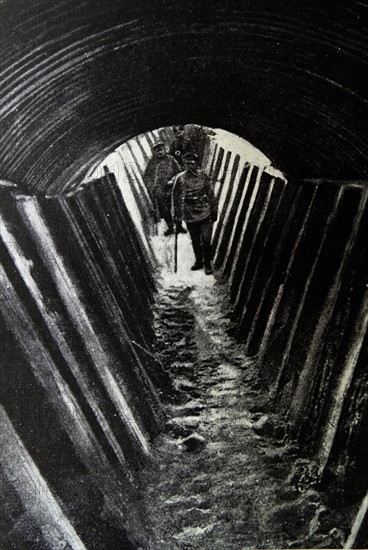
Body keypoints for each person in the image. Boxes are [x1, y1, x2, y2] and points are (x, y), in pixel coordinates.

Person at [172, 152, 218, 275]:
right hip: (189, 214)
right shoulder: (180, 178)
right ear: (184, 165)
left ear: (196, 164)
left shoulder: (203, 176)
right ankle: (199, 261)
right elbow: (176, 199)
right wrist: (177, 217)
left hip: (205, 212)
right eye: (187, 164)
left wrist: (214, 211)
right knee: (195, 240)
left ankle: (208, 263)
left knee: (206, 240)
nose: (190, 166)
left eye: (192, 164)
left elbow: (211, 195)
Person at [143, 141, 186, 235]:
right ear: (154, 152)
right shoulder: (152, 163)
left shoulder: (171, 159)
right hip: (160, 191)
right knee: (165, 209)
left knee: (177, 207)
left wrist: (173, 180)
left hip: (172, 188)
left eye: (161, 149)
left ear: (164, 149)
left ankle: (179, 226)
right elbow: (147, 177)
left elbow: (179, 173)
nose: (160, 152)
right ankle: (170, 227)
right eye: (157, 150)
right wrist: (153, 187)